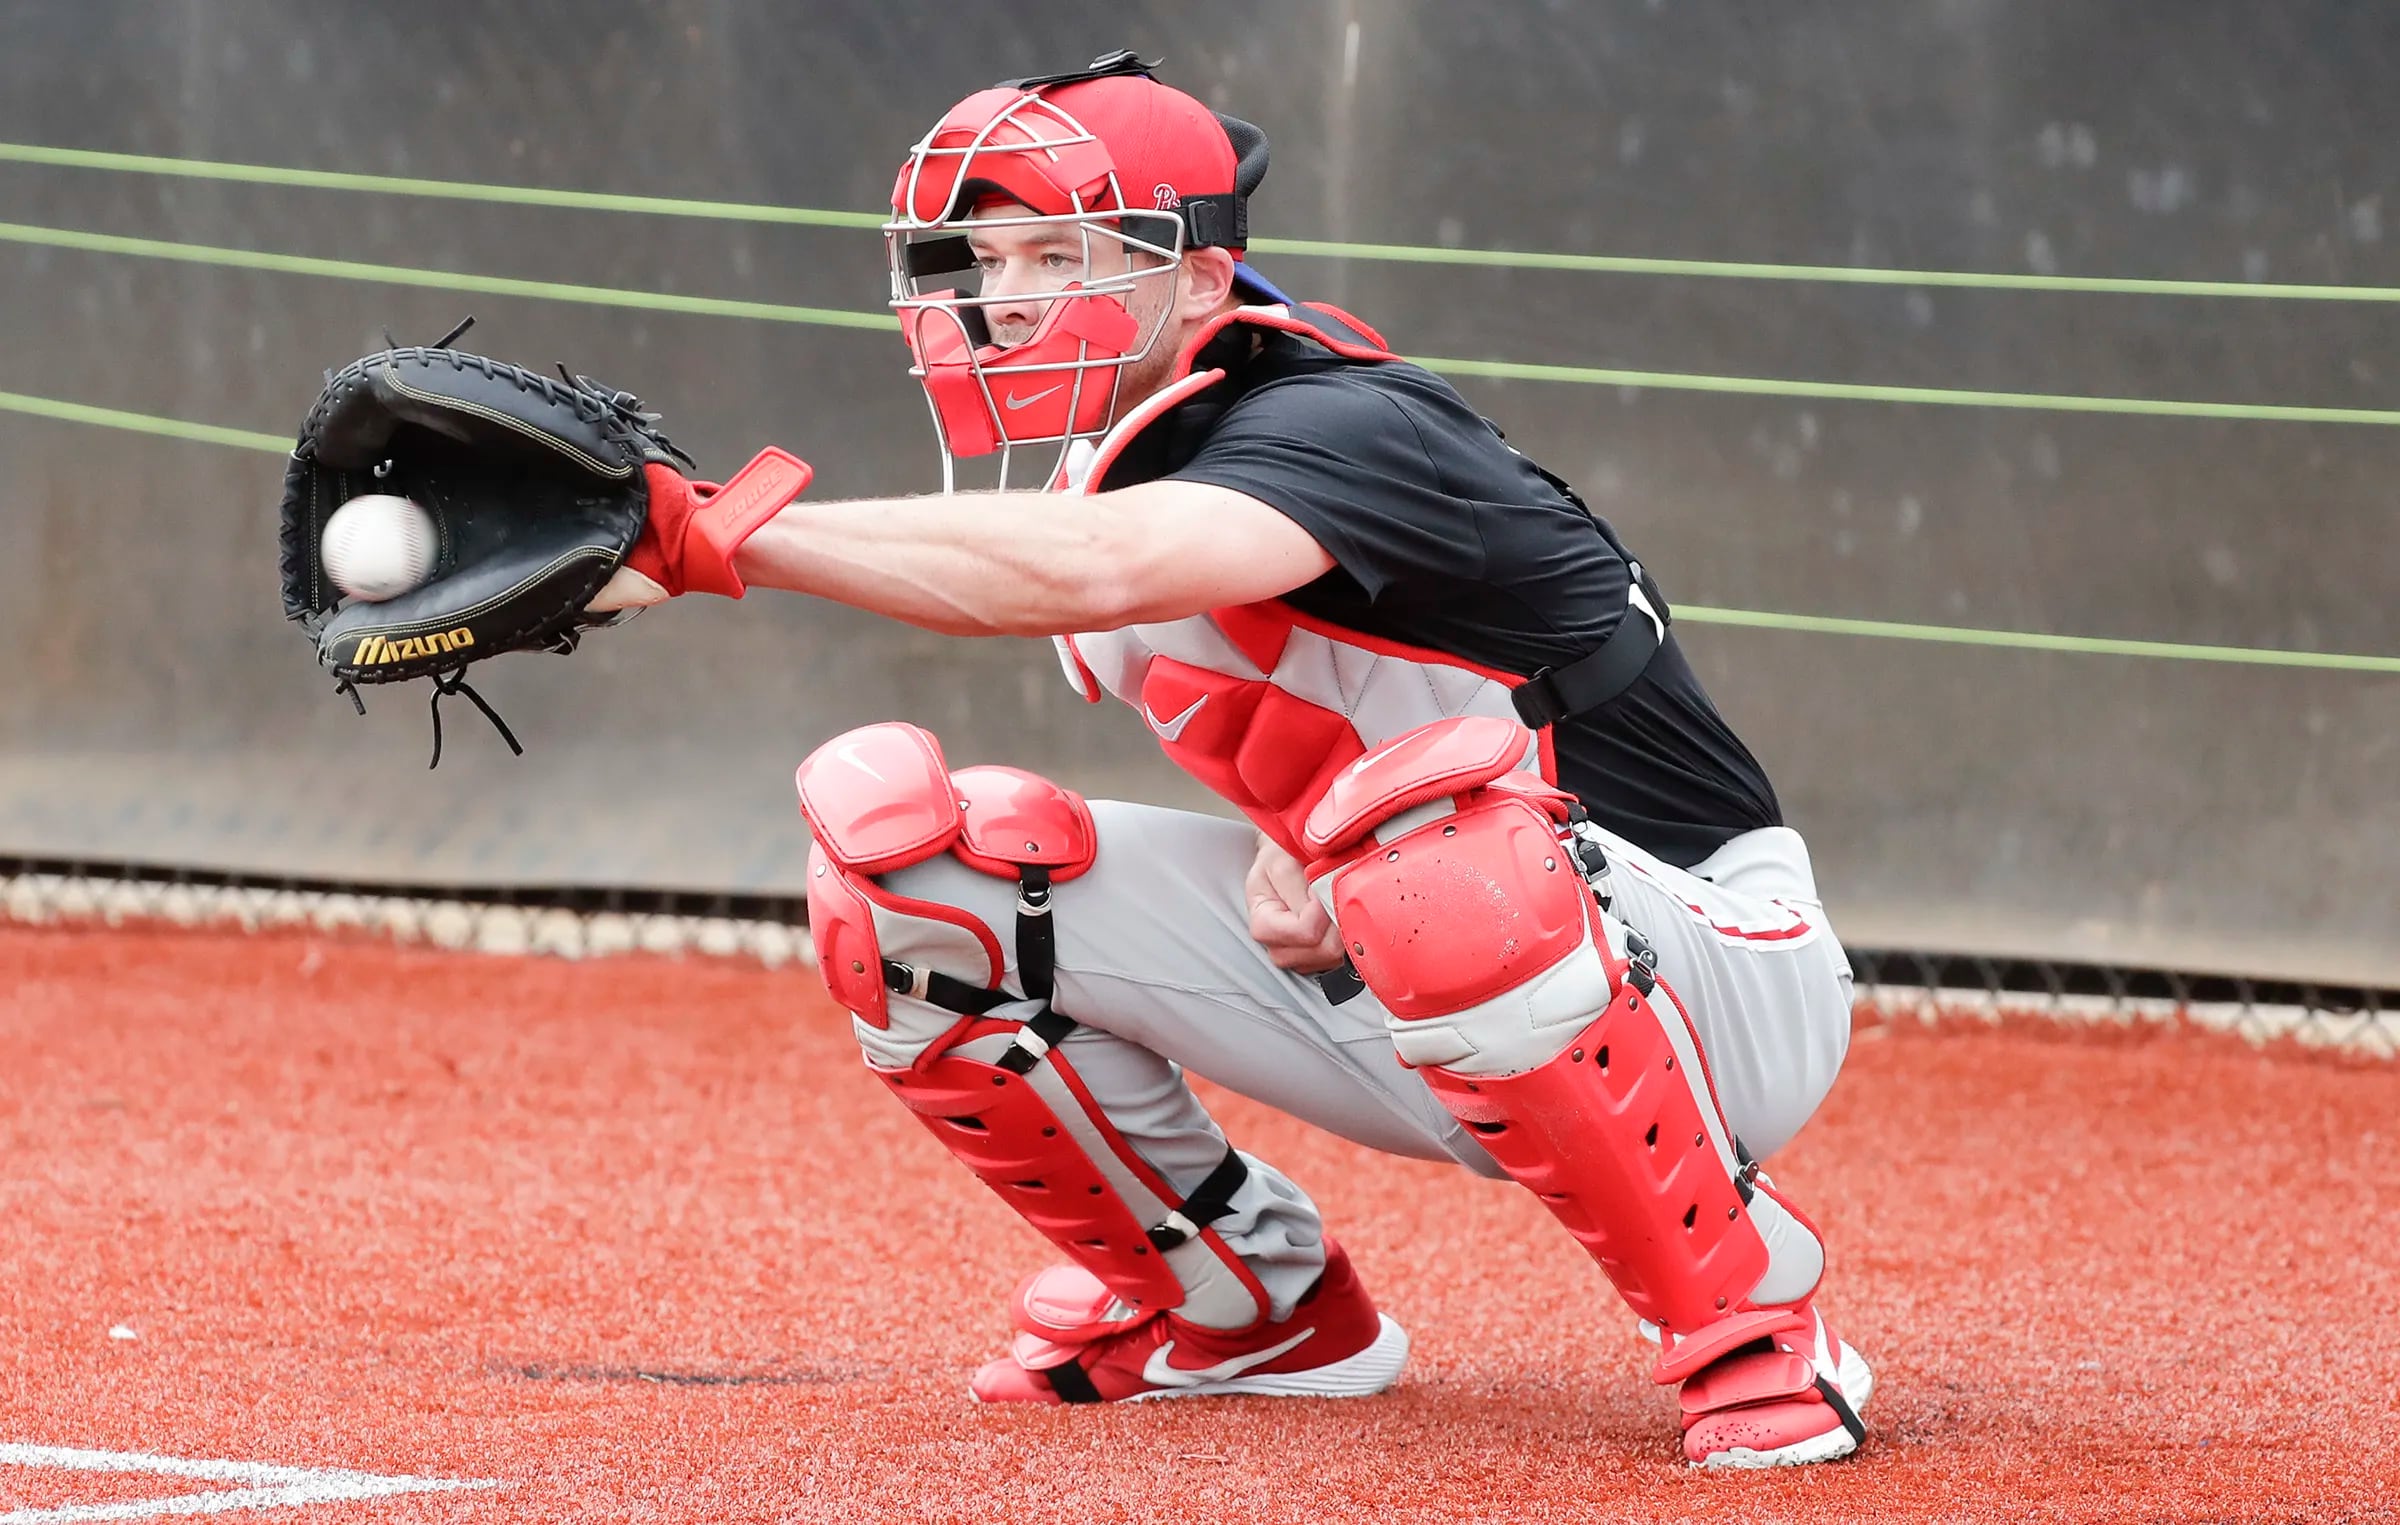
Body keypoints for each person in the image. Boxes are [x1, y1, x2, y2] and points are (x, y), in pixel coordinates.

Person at [595, 51, 1870, 1468]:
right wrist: (1295, 841)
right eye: (979, 256)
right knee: (913, 876)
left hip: (1714, 979)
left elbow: (1105, 569)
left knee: (1440, 859)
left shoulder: (1340, 419)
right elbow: (1336, 699)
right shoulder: (1121, 451)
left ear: (1200, 279)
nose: (1001, 295)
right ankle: (1243, 1300)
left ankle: (1753, 1319)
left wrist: (715, 532)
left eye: (1060, 253)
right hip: (1421, 962)